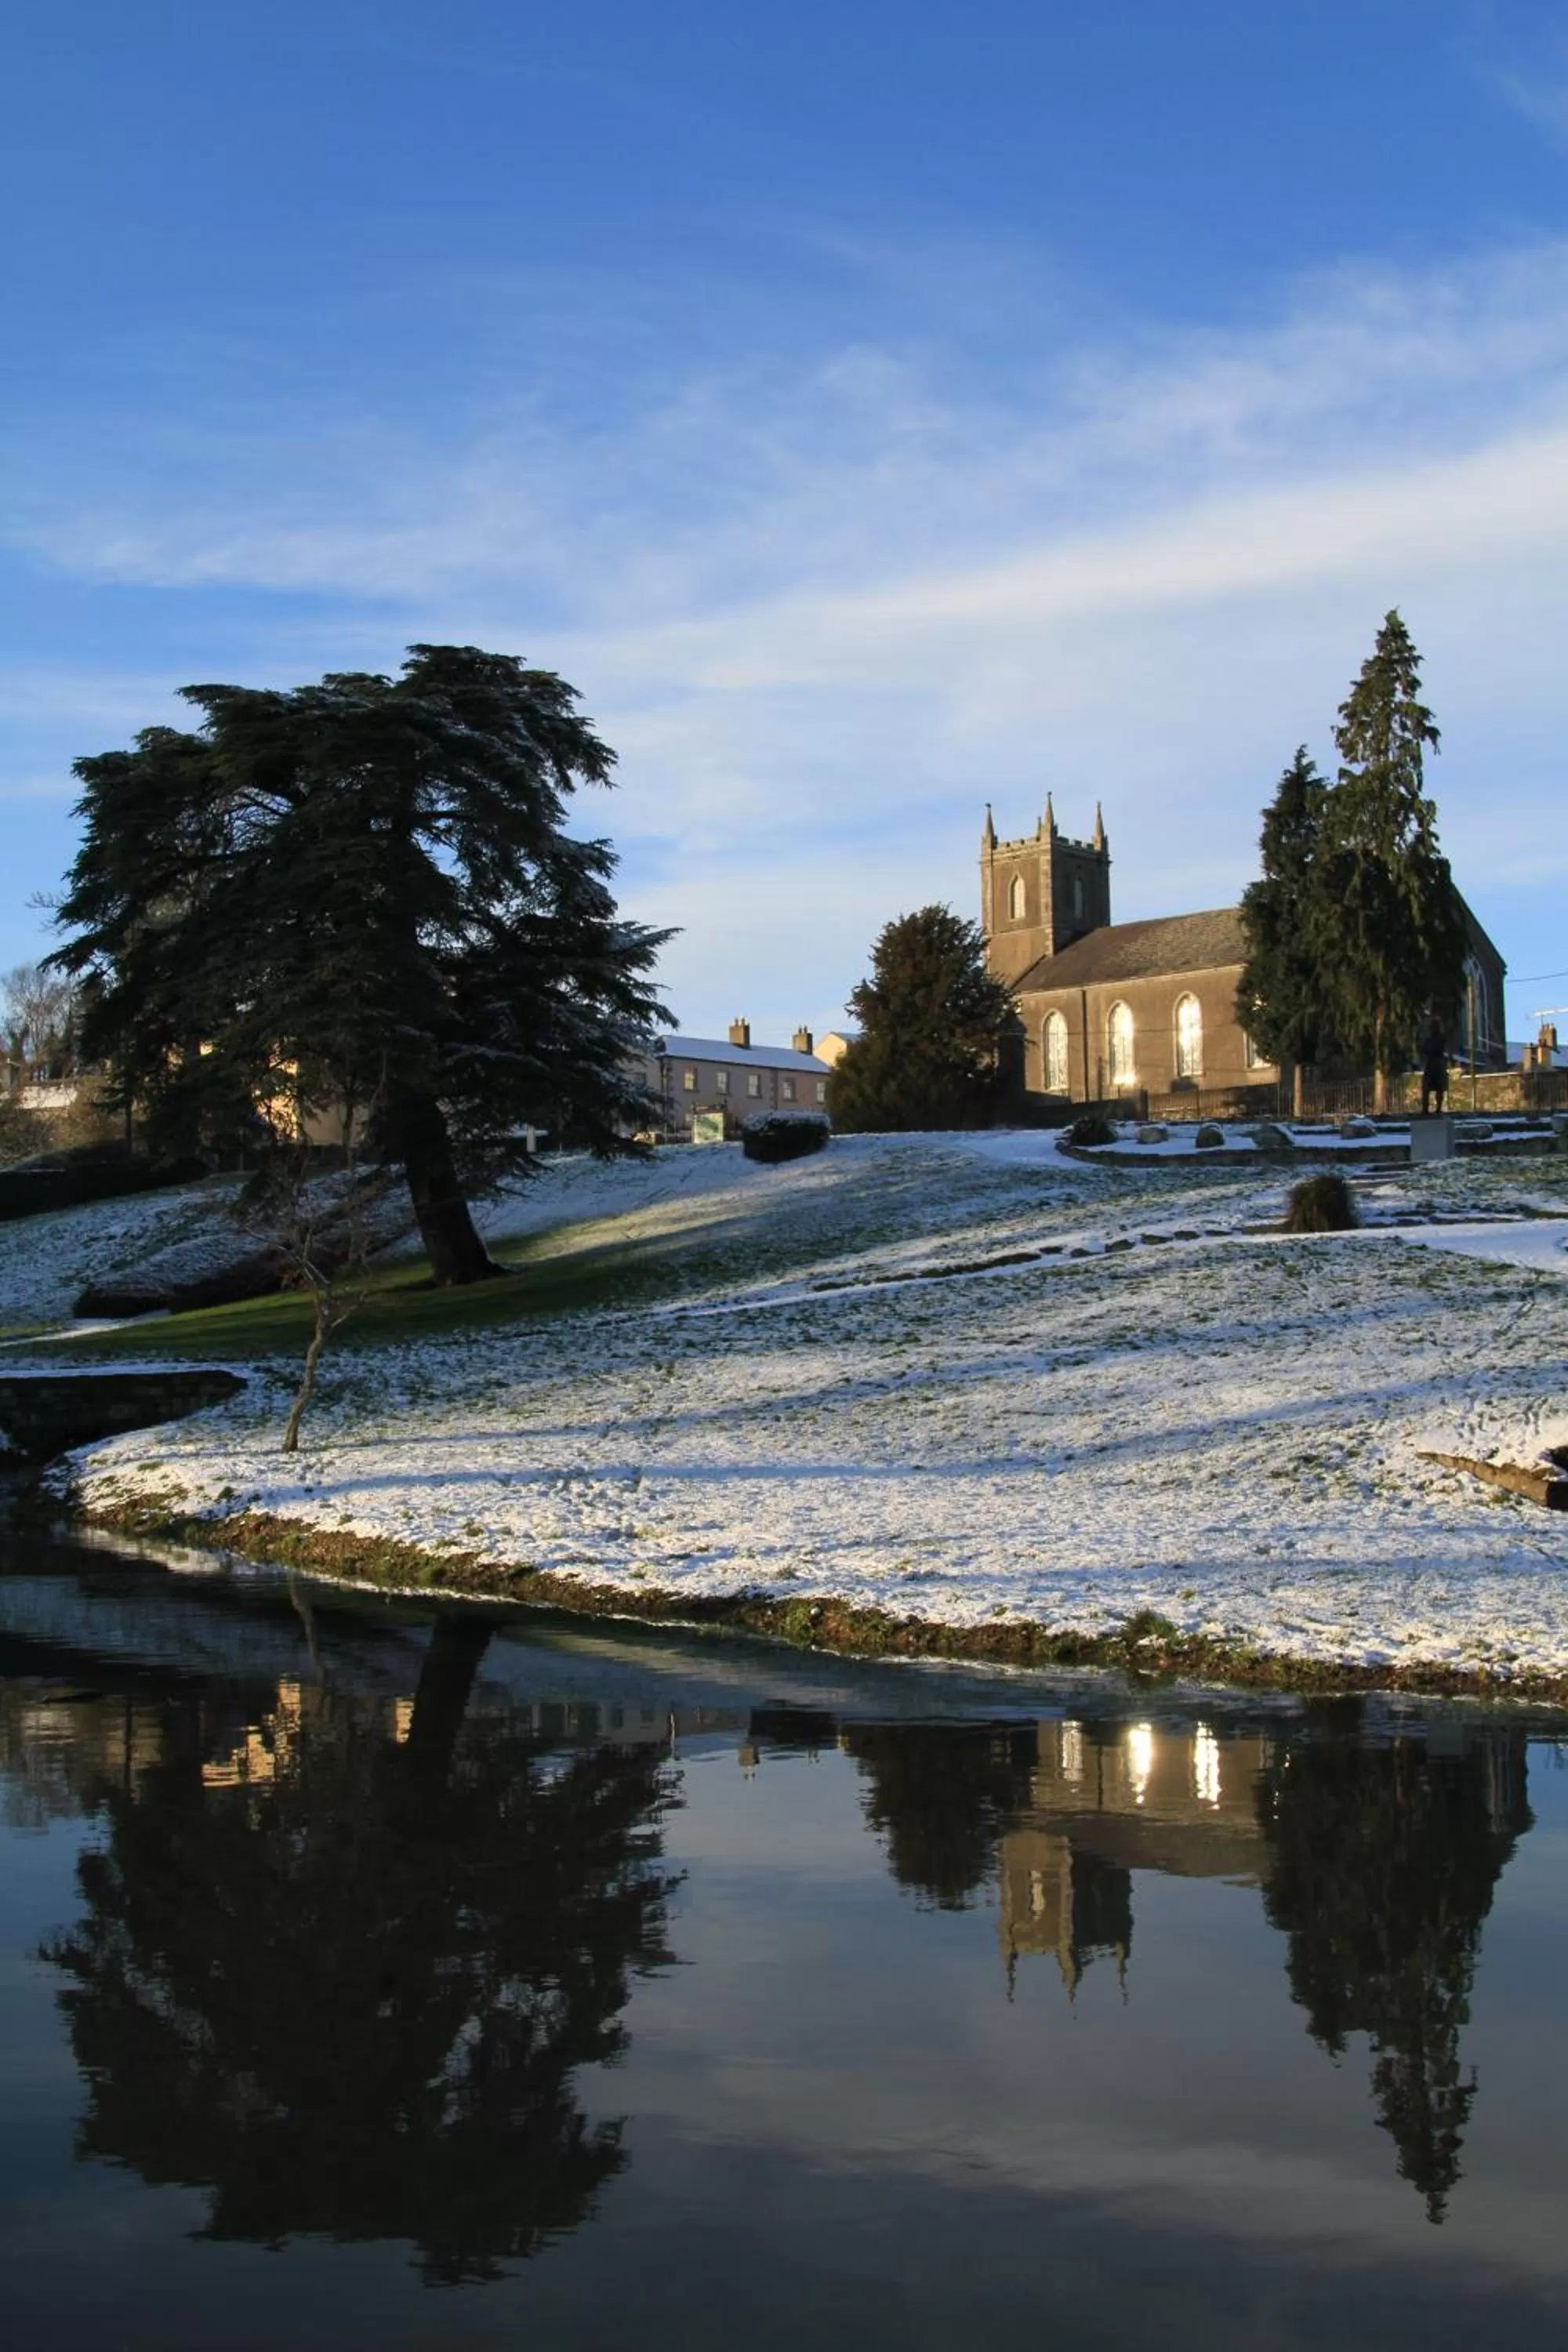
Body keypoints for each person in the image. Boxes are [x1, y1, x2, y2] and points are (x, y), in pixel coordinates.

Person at [1420, 1015, 1447, 1116]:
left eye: (1435, 1026)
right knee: (1426, 1087)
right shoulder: (1429, 1039)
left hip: (1438, 1065)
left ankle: (1438, 1108)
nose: (1433, 1028)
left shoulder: (1441, 1038)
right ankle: (1425, 1109)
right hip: (1431, 1065)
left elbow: (1439, 1048)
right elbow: (1425, 1049)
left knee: (1440, 1088)